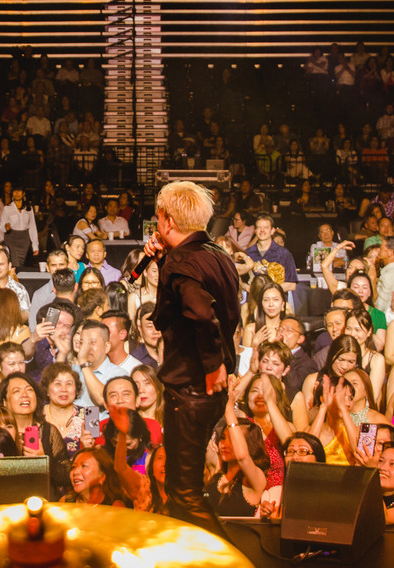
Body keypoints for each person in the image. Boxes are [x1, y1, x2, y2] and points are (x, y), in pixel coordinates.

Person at [140, 181, 241, 535]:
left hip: (192, 389)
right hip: (208, 393)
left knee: (185, 495)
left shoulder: (180, 262)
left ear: (166, 219)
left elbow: (200, 314)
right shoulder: (216, 254)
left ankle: (230, 559)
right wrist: (160, 259)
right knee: (187, 492)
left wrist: (212, 364)